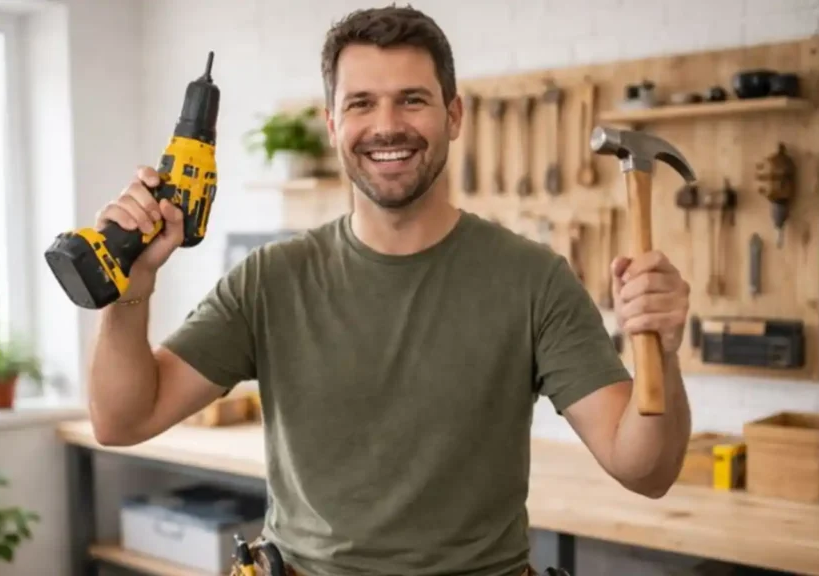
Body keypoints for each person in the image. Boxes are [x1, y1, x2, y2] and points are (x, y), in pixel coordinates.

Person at [86, 5, 692, 576]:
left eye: (411, 100)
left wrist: (662, 350)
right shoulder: (271, 280)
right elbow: (122, 420)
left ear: (453, 116)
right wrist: (129, 291)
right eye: (361, 104)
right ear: (332, 125)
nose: (386, 126)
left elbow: (645, 469)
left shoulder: (533, 280)